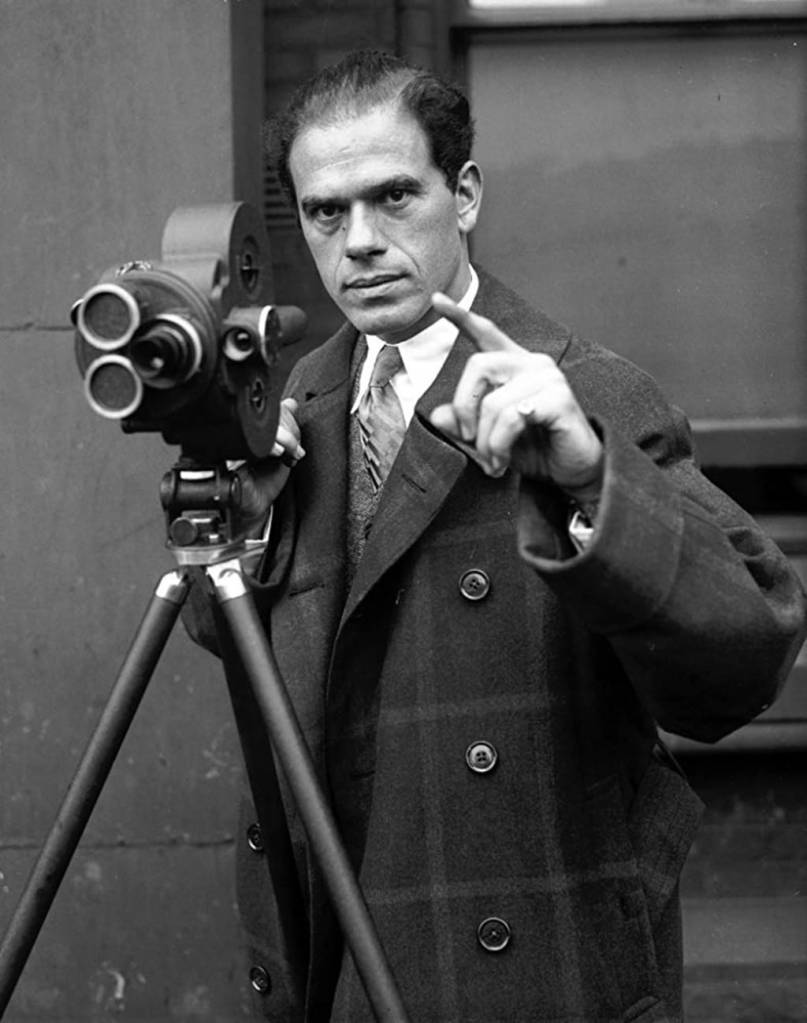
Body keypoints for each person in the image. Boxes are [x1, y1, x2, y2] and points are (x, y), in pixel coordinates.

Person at [185, 50, 806, 1022]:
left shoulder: (584, 392)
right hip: (334, 944)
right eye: (325, 212)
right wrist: (245, 534)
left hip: (526, 952)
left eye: (395, 197)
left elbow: (743, 663)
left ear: (465, 195)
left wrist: (590, 478)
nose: (360, 242)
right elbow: (246, 651)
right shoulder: (300, 398)